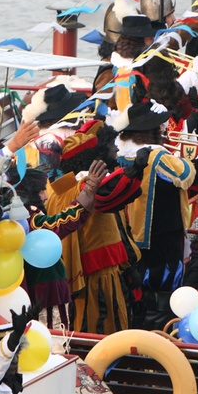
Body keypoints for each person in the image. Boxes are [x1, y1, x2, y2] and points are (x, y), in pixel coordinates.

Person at [113, 101, 198, 330]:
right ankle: (157, 340)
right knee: (161, 297)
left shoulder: (119, 153)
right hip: (160, 238)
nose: (164, 130)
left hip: (127, 237)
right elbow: (191, 174)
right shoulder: (158, 157)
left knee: (135, 291)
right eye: (160, 127)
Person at [47, 120, 146, 334]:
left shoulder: (69, 186)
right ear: (95, 159)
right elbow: (106, 195)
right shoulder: (83, 188)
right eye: (111, 145)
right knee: (101, 329)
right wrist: (134, 170)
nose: (117, 148)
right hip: (97, 279)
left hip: (112, 270)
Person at [15, 159, 107, 329]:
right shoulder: (26, 218)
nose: (45, 196)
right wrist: (89, 189)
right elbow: (60, 223)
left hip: (46, 292)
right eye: (41, 191)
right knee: (55, 343)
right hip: (45, 295)